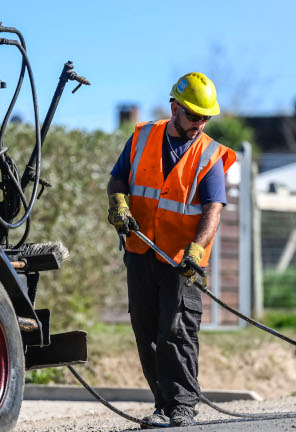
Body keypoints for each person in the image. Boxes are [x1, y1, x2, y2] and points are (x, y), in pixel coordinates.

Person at [106, 72, 236, 427]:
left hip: (181, 260)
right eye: (194, 115)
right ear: (174, 107)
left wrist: (197, 250)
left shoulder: (209, 155)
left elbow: (213, 208)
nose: (199, 123)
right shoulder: (143, 136)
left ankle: (182, 408)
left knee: (176, 331)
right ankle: (163, 406)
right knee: (145, 330)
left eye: (205, 117)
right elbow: (118, 177)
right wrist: (119, 202)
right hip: (141, 251)